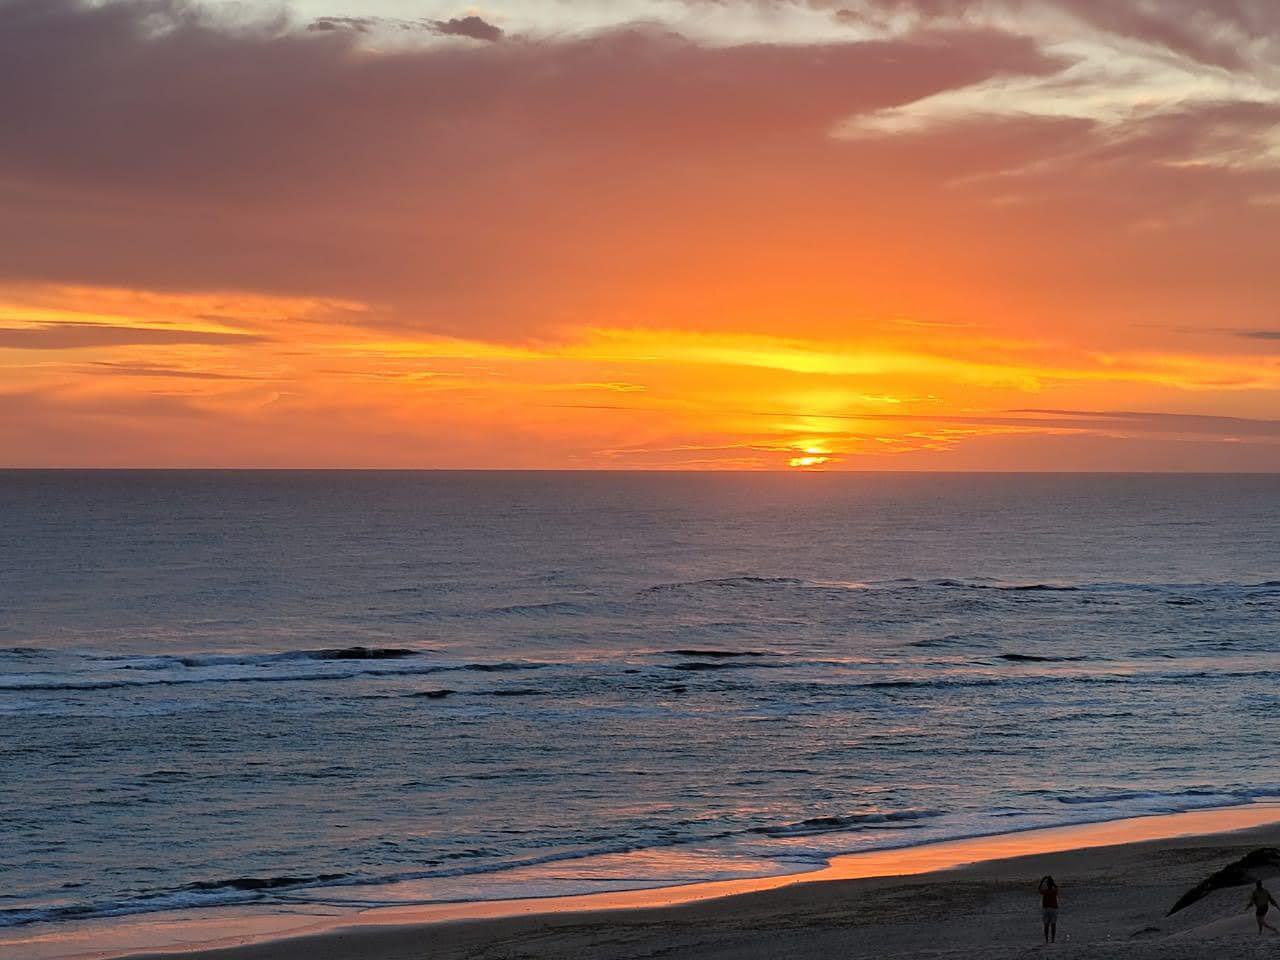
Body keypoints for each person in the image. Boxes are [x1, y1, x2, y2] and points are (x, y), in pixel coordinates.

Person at [1038, 876, 1059, 943]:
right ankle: (1052, 939)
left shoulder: (1045, 892)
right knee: (1053, 924)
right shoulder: (1054, 891)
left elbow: (1039, 888)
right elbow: (1056, 887)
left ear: (1047, 884)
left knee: (1046, 925)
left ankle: (1047, 939)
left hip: (1046, 909)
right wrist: (1052, 882)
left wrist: (1042, 880)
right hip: (1053, 909)